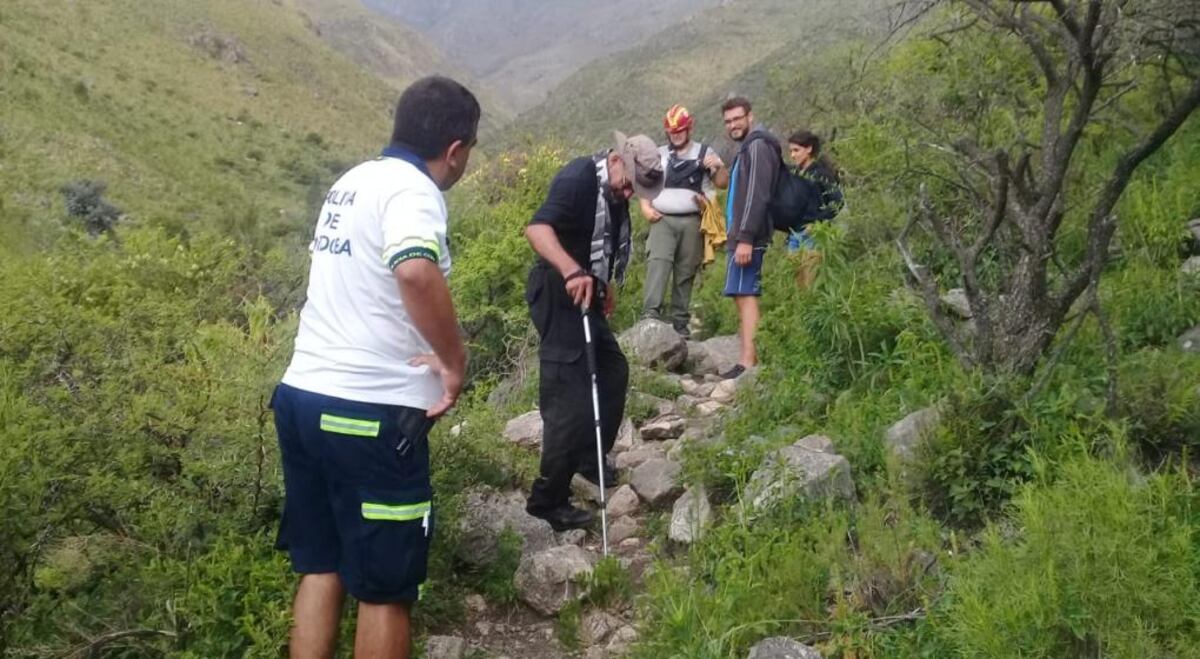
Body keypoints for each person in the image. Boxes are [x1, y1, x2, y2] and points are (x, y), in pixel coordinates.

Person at [271, 76, 479, 659]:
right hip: (367, 413)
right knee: (386, 588)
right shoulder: (414, 191)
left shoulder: (352, 181)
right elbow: (414, 269)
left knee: (321, 565)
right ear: (455, 150)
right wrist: (453, 362)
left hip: (301, 397)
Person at [524, 132, 664, 531]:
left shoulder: (612, 192)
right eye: (629, 183)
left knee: (613, 371)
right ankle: (548, 501)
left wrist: (604, 286)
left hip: (587, 293)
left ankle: (589, 457)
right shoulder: (578, 179)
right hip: (558, 290)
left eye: (636, 190)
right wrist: (572, 271)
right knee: (568, 397)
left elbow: (601, 245)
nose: (629, 193)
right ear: (617, 160)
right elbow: (537, 230)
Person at [640, 104, 728, 337]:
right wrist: (645, 207)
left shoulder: (705, 152)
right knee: (658, 264)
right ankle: (650, 316)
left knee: (686, 270)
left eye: (679, 131)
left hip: (693, 221)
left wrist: (718, 166)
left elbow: (722, 183)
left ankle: (680, 323)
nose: (676, 135)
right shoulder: (659, 154)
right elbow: (645, 184)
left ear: (689, 128)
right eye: (672, 132)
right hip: (662, 219)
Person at [720, 96, 780, 380]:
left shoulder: (757, 146)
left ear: (750, 116)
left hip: (749, 236)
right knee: (740, 295)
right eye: (728, 121)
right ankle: (747, 359)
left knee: (746, 295)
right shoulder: (748, 147)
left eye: (737, 118)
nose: (733, 124)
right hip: (741, 234)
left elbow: (758, 193)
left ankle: (747, 364)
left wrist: (745, 237)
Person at [785, 130, 843, 288]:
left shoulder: (821, 174)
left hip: (812, 235)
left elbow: (838, 202)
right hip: (794, 235)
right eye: (791, 151)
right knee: (796, 283)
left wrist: (818, 222)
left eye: (796, 150)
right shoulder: (796, 173)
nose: (793, 155)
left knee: (811, 282)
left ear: (809, 149)